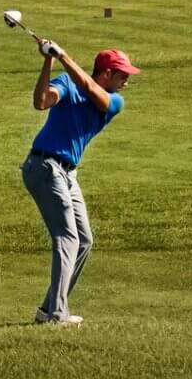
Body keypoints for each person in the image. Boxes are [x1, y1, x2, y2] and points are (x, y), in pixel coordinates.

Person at [21, 38, 140, 325]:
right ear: (107, 73)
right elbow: (41, 102)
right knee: (67, 238)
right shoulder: (67, 83)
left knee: (84, 240)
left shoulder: (114, 102)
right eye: (122, 75)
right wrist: (48, 60)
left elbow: (90, 89)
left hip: (67, 174)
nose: (126, 82)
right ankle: (56, 315)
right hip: (44, 167)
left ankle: (49, 308)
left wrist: (63, 55)